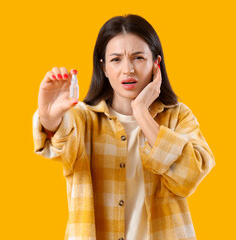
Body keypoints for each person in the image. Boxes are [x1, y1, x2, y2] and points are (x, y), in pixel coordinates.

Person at [32, 14, 215, 240]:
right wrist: (49, 118)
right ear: (104, 67)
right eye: (116, 59)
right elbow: (62, 143)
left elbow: (190, 177)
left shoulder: (178, 116)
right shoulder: (83, 119)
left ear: (155, 64)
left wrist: (141, 112)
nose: (127, 69)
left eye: (138, 58)